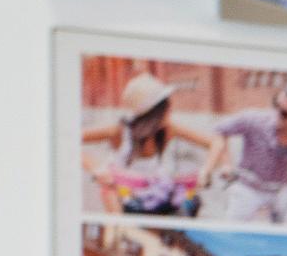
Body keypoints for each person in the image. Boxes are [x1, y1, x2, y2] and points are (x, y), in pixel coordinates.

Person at [82, 73, 208, 216]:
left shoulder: (168, 129)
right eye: (167, 107)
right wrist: (96, 168)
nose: (170, 111)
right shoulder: (120, 131)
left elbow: (213, 142)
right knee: (111, 194)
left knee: (188, 204)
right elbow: (69, 139)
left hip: (156, 200)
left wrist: (206, 170)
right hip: (124, 202)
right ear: (155, 113)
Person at [208, 79, 287, 224]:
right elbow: (220, 130)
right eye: (276, 104)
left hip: (281, 188)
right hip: (248, 186)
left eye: (284, 113)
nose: (276, 114)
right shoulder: (254, 120)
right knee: (232, 227)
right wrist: (226, 164)